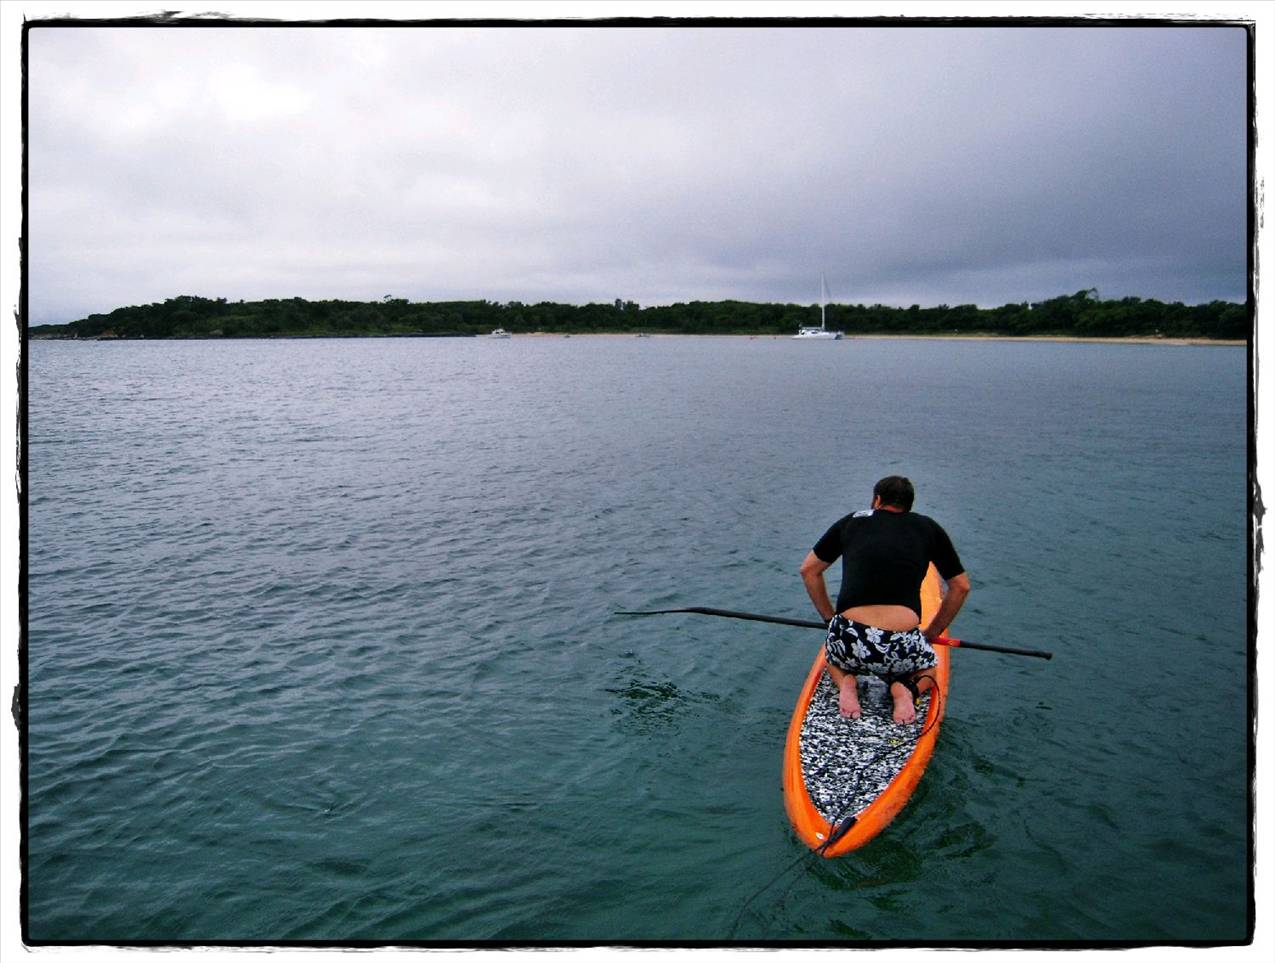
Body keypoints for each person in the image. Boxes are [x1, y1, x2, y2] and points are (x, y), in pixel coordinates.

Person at [799, 476, 970, 724]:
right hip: (899, 644)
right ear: (909, 505)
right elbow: (961, 587)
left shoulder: (852, 521)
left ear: (877, 500)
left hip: (850, 637)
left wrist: (830, 619)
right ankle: (905, 691)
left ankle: (846, 682)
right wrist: (931, 633)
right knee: (929, 668)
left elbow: (809, 571)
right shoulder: (928, 528)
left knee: (833, 657)